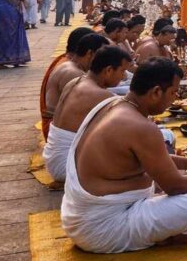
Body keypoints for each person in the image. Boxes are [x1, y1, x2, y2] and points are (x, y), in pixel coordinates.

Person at [61, 58, 187, 253]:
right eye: (173, 93)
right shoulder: (140, 127)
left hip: (82, 220)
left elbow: (153, 159)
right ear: (156, 92)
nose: (174, 98)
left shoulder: (111, 104)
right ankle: (172, 237)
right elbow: (175, 186)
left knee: (162, 181)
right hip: (103, 230)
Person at [44, 46, 133, 182]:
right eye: (122, 71)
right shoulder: (101, 95)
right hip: (67, 166)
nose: (123, 76)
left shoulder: (76, 82)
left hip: (53, 160)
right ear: (109, 70)